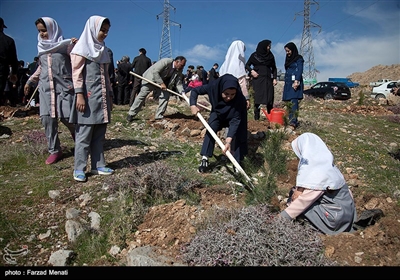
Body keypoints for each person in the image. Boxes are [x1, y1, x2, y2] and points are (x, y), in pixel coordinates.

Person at [280, 132, 357, 235]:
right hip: (346, 215)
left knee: (298, 203)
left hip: (334, 221)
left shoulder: (317, 176)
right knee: (296, 194)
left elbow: (302, 202)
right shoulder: (329, 168)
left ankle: (314, 229)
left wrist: (280, 218)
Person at [24, 17, 77, 165]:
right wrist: (30, 81)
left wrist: (76, 46)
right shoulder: (41, 48)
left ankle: (80, 143)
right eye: (39, 31)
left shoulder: (65, 46)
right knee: (47, 119)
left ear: (52, 29)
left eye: (44, 30)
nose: (42, 34)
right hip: (46, 89)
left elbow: (77, 60)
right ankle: (55, 150)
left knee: (68, 118)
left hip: (64, 88)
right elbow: (41, 68)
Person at [69, 15, 114, 182]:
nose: (105, 34)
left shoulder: (103, 51)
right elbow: (76, 74)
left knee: (99, 133)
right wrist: (79, 94)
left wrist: (109, 96)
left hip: (101, 98)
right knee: (84, 134)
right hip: (87, 98)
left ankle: (98, 165)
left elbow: (107, 78)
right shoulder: (81, 49)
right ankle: (79, 168)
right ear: (93, 29)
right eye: (102, 30)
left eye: (107, 31)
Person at [190, 74, 248, 173]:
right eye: (226, 94)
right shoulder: (213, 87)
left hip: (235, 114)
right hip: (217, 112)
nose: (229, 97)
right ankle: (205, 158)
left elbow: (235, 121)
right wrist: (193, 105)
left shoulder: (239, 99)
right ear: (221, 89)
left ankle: (237, 161)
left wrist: (228, 141)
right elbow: (195, 91)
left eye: (232, 94)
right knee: (211, 128)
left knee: (238, 133)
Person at [126, 56, 186, 122]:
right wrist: (161, 83)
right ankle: (131, 114)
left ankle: (159, 116)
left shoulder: (179, 70)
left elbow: (178, 83)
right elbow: (155, 72)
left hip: (164, 83)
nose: (182, 67)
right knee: (142, 96)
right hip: (151, 79)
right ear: (177, 62)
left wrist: (182, 92)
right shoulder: (166, 61)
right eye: (182, 65)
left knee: (165, 97)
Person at [245, 39, 277, 120]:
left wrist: (274, 78)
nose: (269, 48)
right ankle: (256, 118)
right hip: (257, 80)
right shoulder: (254, 55)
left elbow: (274, 68)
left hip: (268, 80)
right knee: (257, 99)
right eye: (268, 46)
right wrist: (252, 71)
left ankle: (270, 118)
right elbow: (247, 65)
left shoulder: (270, 56)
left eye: (270, 46)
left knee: (269, 99)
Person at [219, 40, 251, 110]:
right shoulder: (239, 65)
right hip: (235, 97)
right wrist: (246, 98)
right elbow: (242, 85)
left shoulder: (225, 65)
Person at [282, 42, 304, 129]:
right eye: (286, 51)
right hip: (288, 82)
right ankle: (289, 119)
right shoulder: (288, 59)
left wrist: (296, 81)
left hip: (295, 82)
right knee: (288, 102)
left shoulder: (298, 58)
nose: (287, 53)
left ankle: (293, 122)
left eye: (288, 51)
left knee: (293, 101)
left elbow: (300, 70)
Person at [0, 17, 18, 106]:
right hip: (2, 69)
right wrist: (14, 72)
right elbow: (13, 59)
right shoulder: (8, 41)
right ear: (2, 27)